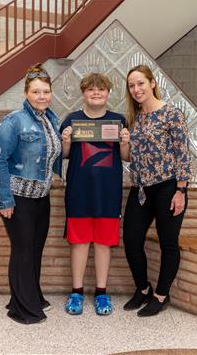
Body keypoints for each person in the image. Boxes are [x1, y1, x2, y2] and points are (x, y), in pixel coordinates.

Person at [0, 63, 62, 324]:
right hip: (17, 197)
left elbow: (52, 154)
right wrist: (5, 198)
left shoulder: (51, 119)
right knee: (22, 250)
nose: (42, 96)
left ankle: (29, 296)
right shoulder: (14, 121)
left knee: (34, 249)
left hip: (41, 196)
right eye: (36, 92)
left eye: (45, 91)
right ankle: (24, 309)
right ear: (26, 93)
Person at [121, 64, 190, 317]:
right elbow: (128, 157)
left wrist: (180, 190)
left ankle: (161, 294)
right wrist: (124, 144)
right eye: (131, 85)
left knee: (168, 243)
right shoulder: (134, 118)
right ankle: (143, 288)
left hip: (168, 187)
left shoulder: (172, 113)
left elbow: (183, 153)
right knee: (131, 240)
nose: (136, 89)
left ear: (152, 83)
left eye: (140, 83)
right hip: (140, 189)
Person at [59, 73, 129, 316]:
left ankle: (101, 292)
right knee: (78, 243)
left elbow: (126, 157)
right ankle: (76, 292)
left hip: (108, 194)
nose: (96, 93)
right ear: (83, 93)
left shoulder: (118, 120)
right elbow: (65, 155)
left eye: (101, 89)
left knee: (103, 244)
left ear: (108, 93)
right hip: (79, 192)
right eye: (91, 90)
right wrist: (66, 140)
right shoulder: (72, 120)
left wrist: (126, 142)